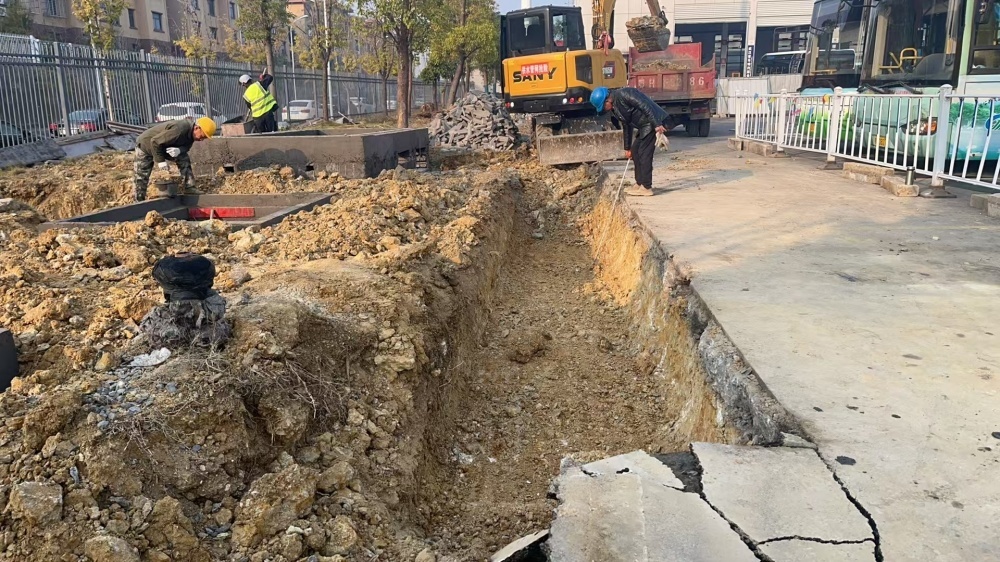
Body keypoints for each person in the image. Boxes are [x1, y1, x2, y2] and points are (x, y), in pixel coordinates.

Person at [591, 86, 669, 197]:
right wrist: (627, 148)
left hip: (651, 123)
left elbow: (645, 106)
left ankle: (646, 187)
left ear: (607, 100)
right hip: (643, 126)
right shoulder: (615, 108)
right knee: (635, 151)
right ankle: (639, 183)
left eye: (603, 106)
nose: (604, 110)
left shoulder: (625, 94)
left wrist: (657, 124)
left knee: (644, 154)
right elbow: (626, 125)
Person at [133, 117, 216, 201]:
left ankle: (189, 187)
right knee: (141, 175)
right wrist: (161, 161)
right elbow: (155, 142)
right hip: (145, 144)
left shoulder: (191, 135)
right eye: (202, 136)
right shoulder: (179, 130)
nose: (201, 140)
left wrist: (179, 150)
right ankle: (139, 201)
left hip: (162, 146)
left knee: (183, 157)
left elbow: (187, 147)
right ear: (197, 128)